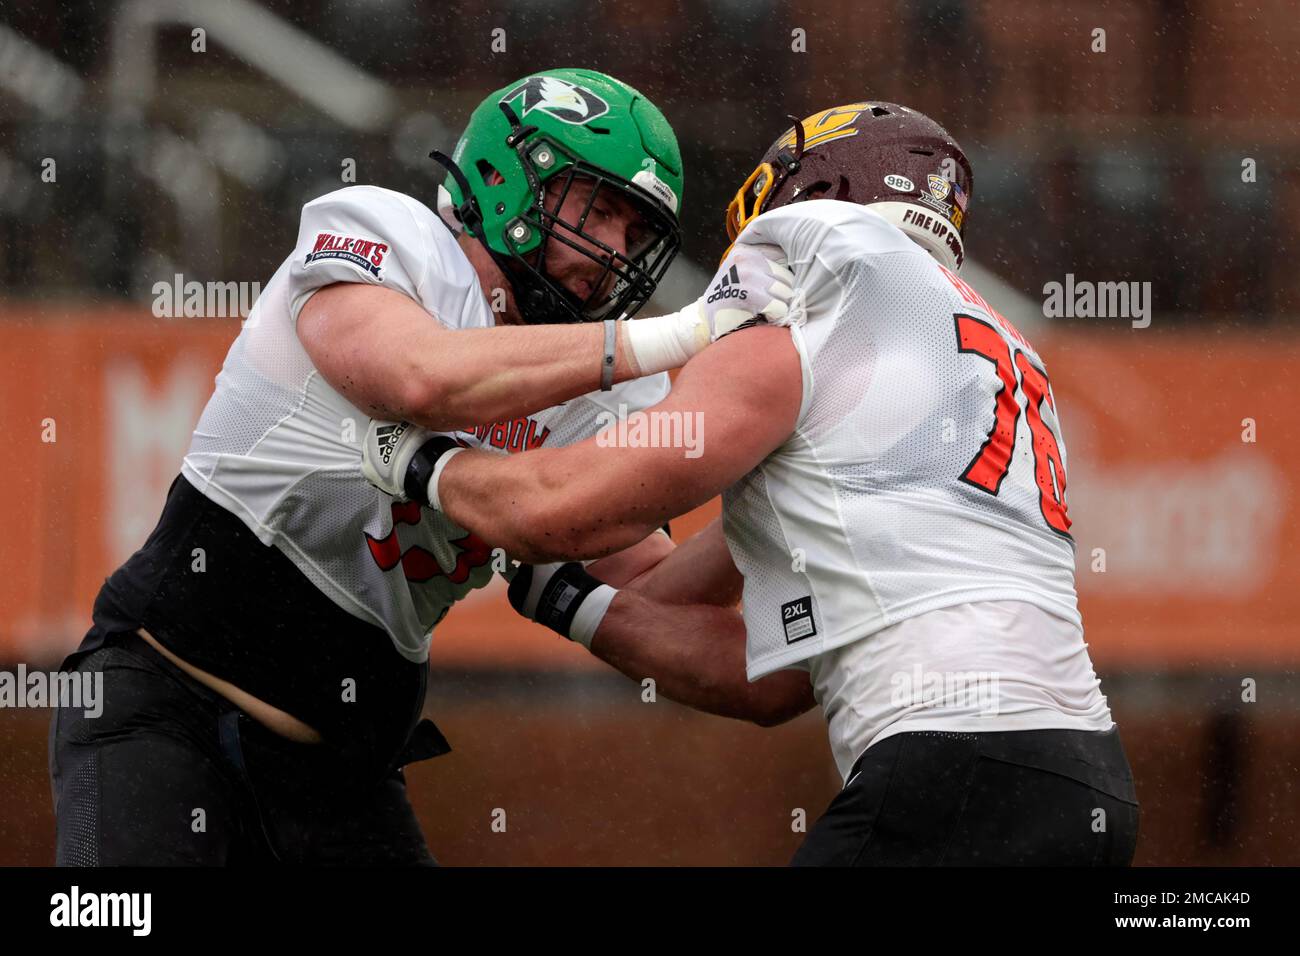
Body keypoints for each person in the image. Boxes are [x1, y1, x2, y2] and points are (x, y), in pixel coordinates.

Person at [48, 68, 793, 866]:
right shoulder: (389, 232)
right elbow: (419, 377)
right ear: (512, 177)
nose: (613, 252)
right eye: (600, 210)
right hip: (166, 707)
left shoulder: (598, 378)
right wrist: (681, 337)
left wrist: (772, 485)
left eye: (634, 234)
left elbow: (648, 589)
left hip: (344, 778)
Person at [365, 102, 1141, 866]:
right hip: (1089, 780)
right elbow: (756, 652)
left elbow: (570, 509)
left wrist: (426, 464)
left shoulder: (821, 274)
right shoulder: (981, 344)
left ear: (816, 191)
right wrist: (577, 598)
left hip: (954, 768)